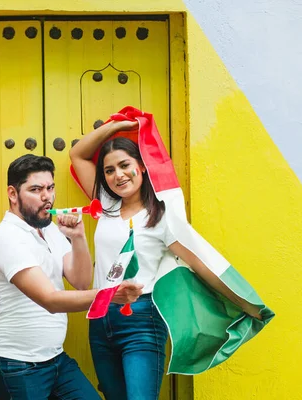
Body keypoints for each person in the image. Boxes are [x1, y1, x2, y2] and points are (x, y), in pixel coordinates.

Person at [69, 120, 263, 400]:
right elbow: (77, 155)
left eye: (125, 165)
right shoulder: (106, 205)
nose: (118, 175)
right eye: (109, 170)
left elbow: (198, 264)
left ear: (142, 166)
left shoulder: (160, 215)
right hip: (100, 317)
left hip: (141, 320)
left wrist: (245, 303)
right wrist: (116, 126)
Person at [0, 154, 143, 400]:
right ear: (13, 194)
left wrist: (78, 237)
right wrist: (111, 295)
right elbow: (51, 300)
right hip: (17, 366)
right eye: (36, 189)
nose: (47, 197)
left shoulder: (49, 229)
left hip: (55, 359)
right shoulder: (7, 237)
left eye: (50, 187)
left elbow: (80, 282)